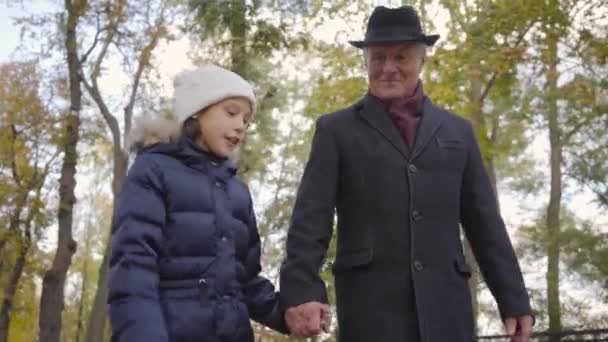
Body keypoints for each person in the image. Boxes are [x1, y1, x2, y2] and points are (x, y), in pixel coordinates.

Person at [280, 5, 534, 342]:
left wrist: (513, 298)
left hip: (448, 310)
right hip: (370, 312)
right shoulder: (335, 131)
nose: (388, 68)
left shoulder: (459, 132)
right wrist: (301, 291)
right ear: (366, 62)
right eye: (378, 57)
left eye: (401, 57)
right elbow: (310, 219)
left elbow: (485, 223)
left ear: (421, 60)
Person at [108, 65, 288, 341]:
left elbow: (246, 282)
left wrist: (292, 313)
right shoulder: (153, 170)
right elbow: (134, 269)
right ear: (196, 111)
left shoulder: (238, 192)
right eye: (231, 112)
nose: (240, 124)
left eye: (246, 119)